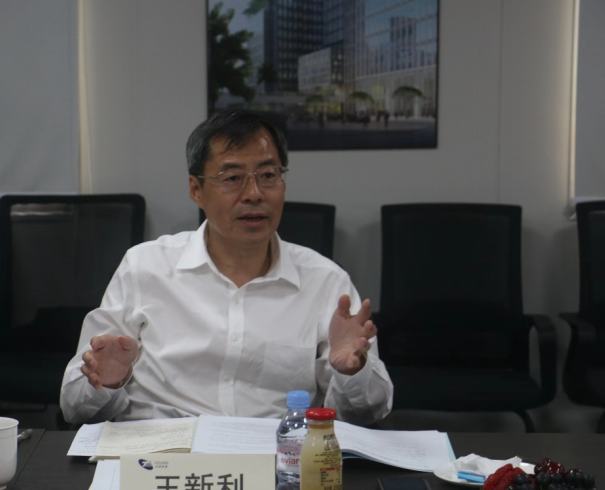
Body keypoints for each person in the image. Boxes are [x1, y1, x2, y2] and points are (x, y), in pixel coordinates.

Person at [60, 109, 393, 425]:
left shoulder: (326, 282)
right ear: (196, 190)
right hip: (159, 453)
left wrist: (351, 372)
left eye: (268, 175)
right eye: (233, 178)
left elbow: (369, 413)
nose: (254, 194)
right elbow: (74, 407)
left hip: (275, 454)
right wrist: (106, 382)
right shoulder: (144, 267)